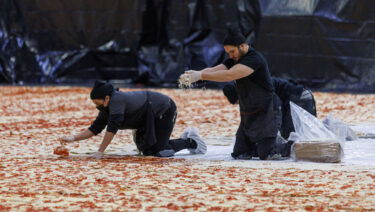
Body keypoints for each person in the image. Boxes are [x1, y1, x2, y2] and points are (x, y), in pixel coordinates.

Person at [180, 29, 286, 160]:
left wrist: (201, 75)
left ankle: (289, 143)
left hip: (267, 109)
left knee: (268, 155)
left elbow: (229, 75)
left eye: (232, 51)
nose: (230, 55)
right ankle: (260, 146)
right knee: (239, 153)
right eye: (228, 52)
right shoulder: (236, 58)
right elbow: (215, 70)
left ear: (242, 46)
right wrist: (195, 74)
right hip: (249, 110)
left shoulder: (254, 59)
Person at [59, 81, 206, 158]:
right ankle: (183, 140)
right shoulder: (105, 107)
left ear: (107, 98)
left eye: (97, 103)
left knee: (158, 151)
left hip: (164, 109)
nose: (96, 107)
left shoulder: (117, 101)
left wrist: (100, 151)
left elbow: (112, 128)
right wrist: (72, 139)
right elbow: (95, 129)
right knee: (146, 149)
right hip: (147, 117)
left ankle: (191, 142)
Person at [223, 77, 317, 139]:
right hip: (295, 96)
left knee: (294, 132)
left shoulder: (255, 90)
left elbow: (274, 111)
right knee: (290, 132)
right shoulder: (249, 85)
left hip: (299, 96)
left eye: (239, 101)